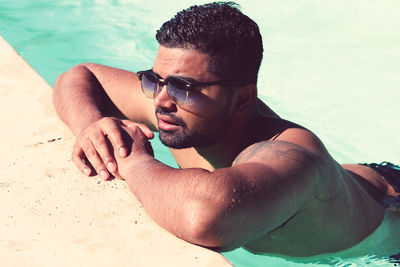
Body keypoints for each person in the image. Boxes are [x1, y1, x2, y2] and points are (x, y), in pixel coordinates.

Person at [52, 2, 400, 257]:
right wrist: (92, 126)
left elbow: (204, 218)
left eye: (181, 87)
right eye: (155, 80)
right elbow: (81, 76)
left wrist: (134, 160)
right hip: (359, 183)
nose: (159, 100)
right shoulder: (177, 110)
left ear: (242, 100)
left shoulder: (289, 156)